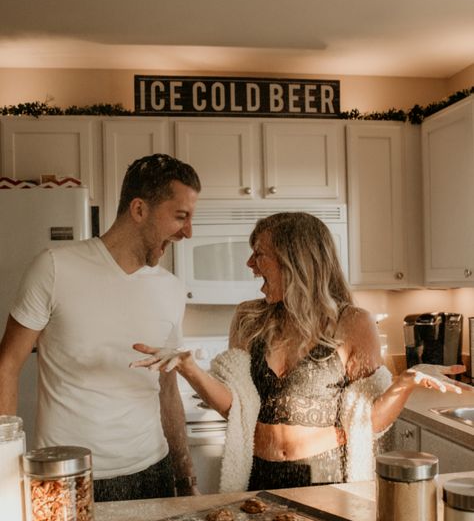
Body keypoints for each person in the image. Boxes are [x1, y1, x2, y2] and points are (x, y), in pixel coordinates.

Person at [131, 211, 465, 493]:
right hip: (259, 477)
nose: (250, 263)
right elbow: (237, 407)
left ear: (296, 261)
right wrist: (190, 368)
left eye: (259, 253)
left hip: (326, 479)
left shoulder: (351, 323)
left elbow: (368, 420)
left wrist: (404, 382)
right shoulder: (249, 318)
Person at [0, 153, 201, 502]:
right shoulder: (54, 268)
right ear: (139, 210)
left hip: (152, 472)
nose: (188, 232)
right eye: (180, 216)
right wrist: (4, 468)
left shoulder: (171, 289)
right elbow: (7, 366)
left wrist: (183, 475)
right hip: (68, 475)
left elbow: (167, 387)